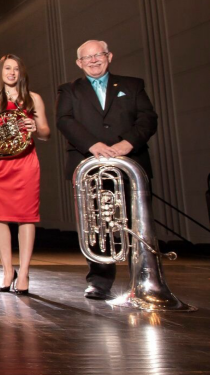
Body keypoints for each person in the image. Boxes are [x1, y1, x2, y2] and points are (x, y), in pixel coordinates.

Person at [56, 39, 157, 300]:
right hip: (90, 165)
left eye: (98, 55)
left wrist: (127, 143)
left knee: (138, 223)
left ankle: (144, 279)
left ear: (109, 56)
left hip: (131, 163)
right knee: (97, 223)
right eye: (86, 58)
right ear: (79, 63)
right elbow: (64, 120)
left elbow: (148, 118)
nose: (93, 60)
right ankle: (100, 281)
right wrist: (93, 145)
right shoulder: (69, 90)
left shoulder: (132, 85)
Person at [0, 54, 50, 295]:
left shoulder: (33, 99)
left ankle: (24, 272)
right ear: (0, 72)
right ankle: (8, 271)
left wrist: (35, 128)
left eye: (16, 69)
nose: (12, 72)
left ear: (21, 73)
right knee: (0, 217)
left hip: (25, 163)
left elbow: (46, 134)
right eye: (7, 68)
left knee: (27, 217)